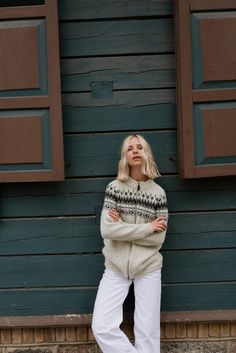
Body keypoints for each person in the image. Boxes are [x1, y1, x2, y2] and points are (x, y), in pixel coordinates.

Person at [92, 134, 168, 353]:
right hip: (115, 267)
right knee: (102, 326)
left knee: (148, 332)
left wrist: (122, 229)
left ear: (146, 154)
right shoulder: (114, 189)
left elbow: (158, 238)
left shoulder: (158, 194)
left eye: (140, 147)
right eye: (130, 148)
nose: (135, 151)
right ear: (124, 156)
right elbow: (107, 229)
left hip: (148, 268)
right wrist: (147, 227)